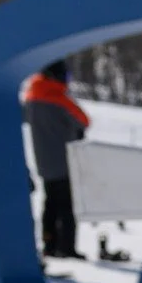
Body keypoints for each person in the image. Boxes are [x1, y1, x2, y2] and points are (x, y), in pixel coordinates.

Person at [22, 61, 88, 258]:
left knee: (50, 203)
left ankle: (49, 244)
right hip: (65, 160)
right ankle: (67, 247)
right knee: (67, 206)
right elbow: (83, 120)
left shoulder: (31, 98)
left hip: (43, 160)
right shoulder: (58, 98)